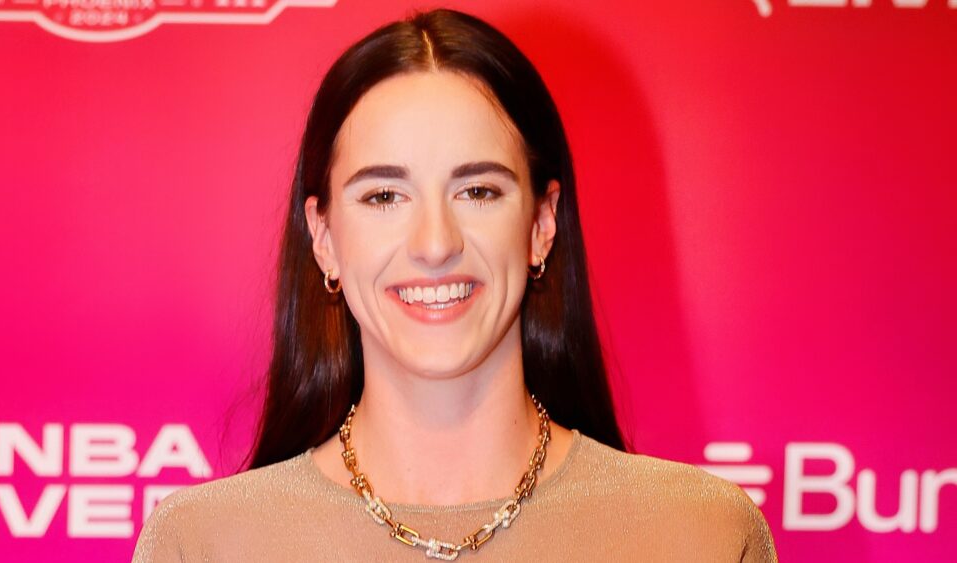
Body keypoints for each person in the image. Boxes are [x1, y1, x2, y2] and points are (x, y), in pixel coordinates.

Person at [132, 8, 778, 562]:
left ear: (541, 225)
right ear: (323, 236)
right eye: (384, 195)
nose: (435, 243)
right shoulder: (207, 541)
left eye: (478, 190)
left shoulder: (699, 533)